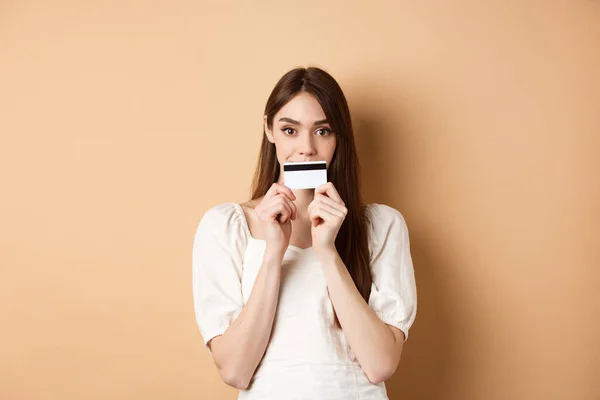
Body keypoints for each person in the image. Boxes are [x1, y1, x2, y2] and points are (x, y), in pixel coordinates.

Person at [192, 66, 417, 400]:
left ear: (340, 138)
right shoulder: (225, 226)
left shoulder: (382, 226)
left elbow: (380, 364)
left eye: (323, 131)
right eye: (290, 130)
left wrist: (327, 251)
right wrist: (273, 253)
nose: (307, 148)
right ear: (269, 129)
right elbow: (236, 370)